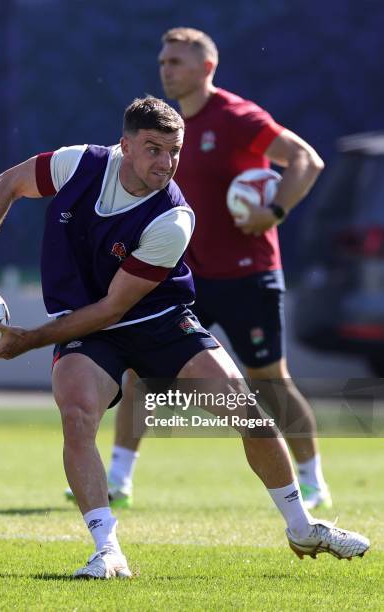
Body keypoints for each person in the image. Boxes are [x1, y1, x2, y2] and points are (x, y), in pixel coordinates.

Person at [0, 97, 369, 579]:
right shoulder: (79, 164)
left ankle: (302, 525)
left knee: (248, 409)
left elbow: (115, 308)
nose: (165, 163)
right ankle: (107, 551)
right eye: (152, 149)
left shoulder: (173, 218)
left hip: (157, 321)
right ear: (124, 146)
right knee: (77, 413)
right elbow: (6, 185)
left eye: (174, 151)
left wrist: (28, 340)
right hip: (88, 326)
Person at [100, 27, 332, 511]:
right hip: (186, 277)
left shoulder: (237, 117)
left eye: (176, 62)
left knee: (269, 380)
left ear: (206, 68)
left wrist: (275, 212)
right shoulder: (162, 131)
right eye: (163, 62)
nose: (166, 69)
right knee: (141, 372)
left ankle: (312, 480)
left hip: (249, 275)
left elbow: (306, 161)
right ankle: (118, 480)